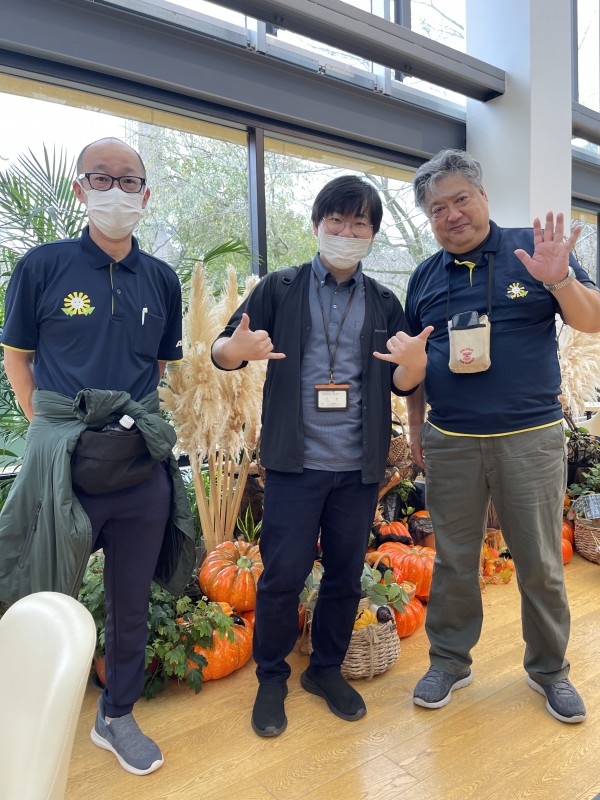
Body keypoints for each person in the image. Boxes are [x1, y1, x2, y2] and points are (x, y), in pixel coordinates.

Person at [0, 137, 195, 774]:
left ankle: (116, 714)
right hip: (64, 466)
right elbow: (18, 359)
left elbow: (159, 368)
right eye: (101, 178)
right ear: (80, 189)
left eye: (129, 180)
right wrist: (51, 428)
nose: (117, 190)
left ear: (146, 194)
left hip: (139, 466)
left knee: (130, 601)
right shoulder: (43, 266)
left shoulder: (161, 279)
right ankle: (25, 715)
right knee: (43, 593)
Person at [212, 175, 431, 736]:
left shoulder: (384, 301)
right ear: (317, 224)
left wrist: (415, 366)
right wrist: (235, 349)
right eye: (337, 221)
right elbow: (223, 350)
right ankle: (272, 677)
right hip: (294, 465)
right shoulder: (280, 288)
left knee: (345, 576)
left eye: (359, 224)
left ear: (372, 235)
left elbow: (403, 381)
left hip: (358, 469)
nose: (346, 232)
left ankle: (325, 669)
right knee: (281, 576)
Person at [405, 148, 600, 723]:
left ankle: (550, 670)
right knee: (453, 559)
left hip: (530, 437)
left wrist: (559, 278)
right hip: (450, 439)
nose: (452, 215)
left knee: (540, 561)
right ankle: (449, 661)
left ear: (483, 196)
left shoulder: (532, 250)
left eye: (461, 199)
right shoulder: (424, 277)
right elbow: (411, 361)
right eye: (437, 209)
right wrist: (415, 429)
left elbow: (591, 318)